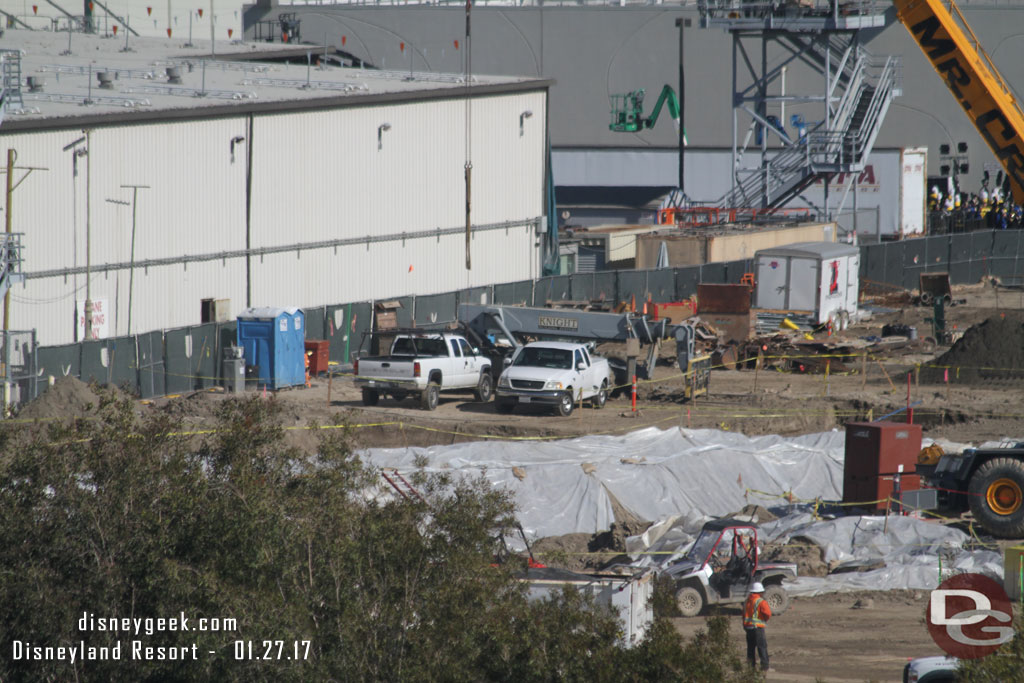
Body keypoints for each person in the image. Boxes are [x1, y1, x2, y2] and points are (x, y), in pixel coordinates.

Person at [743, 581, 772, 672]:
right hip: (758, 628)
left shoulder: (747, 601)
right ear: (760, 592)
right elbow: (768, 613)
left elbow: (743, 614)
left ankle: (751, 668)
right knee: (762, 647)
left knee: (750, 648)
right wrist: (764, 619)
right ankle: (765, 667)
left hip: (748, 628)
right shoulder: (761, 601)